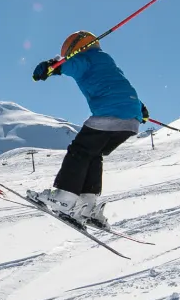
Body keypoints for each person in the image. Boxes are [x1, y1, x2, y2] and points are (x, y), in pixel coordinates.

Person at [29, 31, 147, 227]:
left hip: (110, 113)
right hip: (131, 117)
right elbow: (119, 84)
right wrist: (140, 108)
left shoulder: (85, 58)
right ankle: (87, 205)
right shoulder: (106, 60)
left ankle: (64, 197)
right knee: (93, 154)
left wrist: (51, 66)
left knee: (80, 151)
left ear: (75, 48)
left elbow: (70, 66)